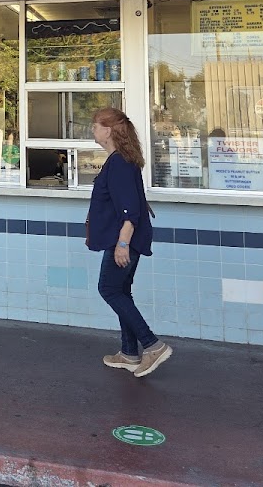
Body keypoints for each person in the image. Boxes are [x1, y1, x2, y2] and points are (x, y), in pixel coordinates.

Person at [87, 107, 172, 378]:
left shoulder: (120, 163)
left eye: (96, 125)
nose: (93, 130)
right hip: (122, 238)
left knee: (109, 289)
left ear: (108, 130)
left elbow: (129, 209)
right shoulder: (120, 160)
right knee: (121, 291)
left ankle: (152, 345)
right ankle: (129, 352)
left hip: (123, 240)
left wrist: (122, 244)